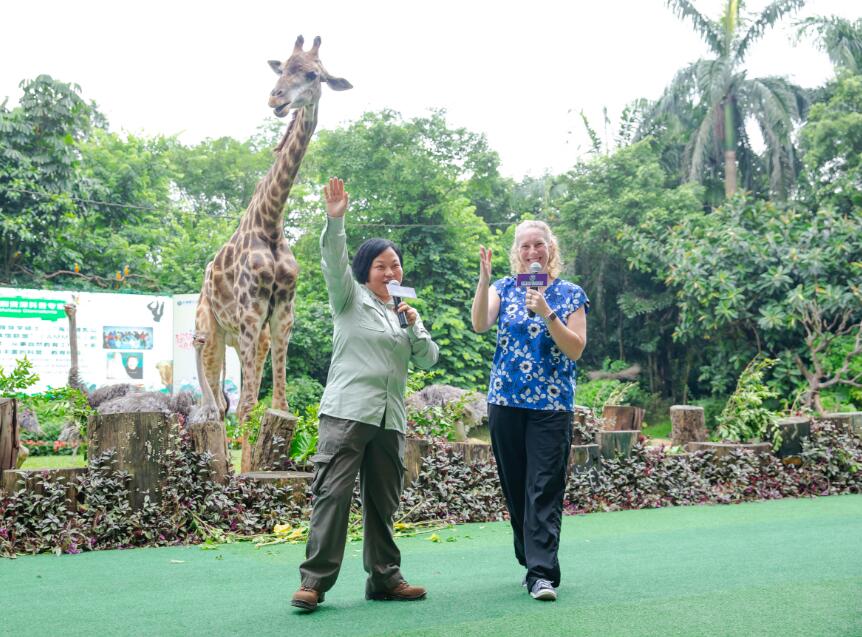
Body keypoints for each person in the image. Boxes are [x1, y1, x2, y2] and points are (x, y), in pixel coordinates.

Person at [292, 177, 439, 612]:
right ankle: (314, 583)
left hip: (390, 420)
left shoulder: (403, 313)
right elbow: (333, 260)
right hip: (347, 414)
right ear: (365, 271)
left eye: (395, 266)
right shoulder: (349, 298)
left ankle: (385, 579)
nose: (391, 273)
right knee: (333, 497)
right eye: (381, 266)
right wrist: (335, 220)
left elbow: (428, 359)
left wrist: (414, 325)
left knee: (383, 502)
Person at [470, 219, 589, 602]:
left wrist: (547, 312)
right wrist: (484, 280)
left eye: (539, 244)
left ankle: (542, 574)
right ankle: (530, 558)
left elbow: (575, 349)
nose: (532, 251)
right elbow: (479, 324)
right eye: (525, 246)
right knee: (516, 488)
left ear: (551, 249)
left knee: (544, 487)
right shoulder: (504, 288)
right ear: (516, 252)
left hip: (551, 406)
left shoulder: (570, 294)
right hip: (505, 401)